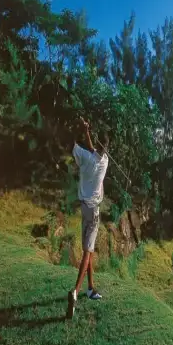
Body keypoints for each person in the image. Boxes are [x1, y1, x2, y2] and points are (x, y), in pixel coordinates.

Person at [67, 117, 109, 319]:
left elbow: (75, 146)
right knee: (87, 251)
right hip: (94, 212)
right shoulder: (105, 161)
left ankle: (90, 289)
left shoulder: (83, 156)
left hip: (83, 208)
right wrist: (88, 133)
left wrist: (82, 130)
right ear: (106, 147)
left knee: (89, 250)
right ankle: (75, 291)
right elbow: (96, 151)